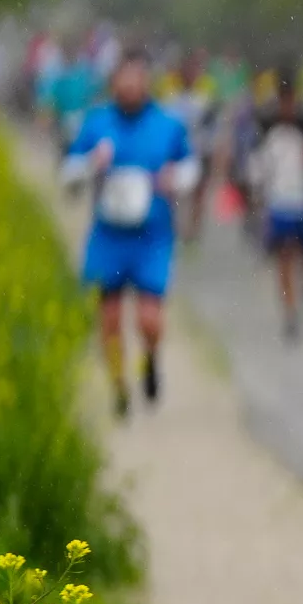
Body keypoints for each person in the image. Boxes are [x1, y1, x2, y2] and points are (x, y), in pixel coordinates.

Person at [61, 50, 199, 418]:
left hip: (152, 234)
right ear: (114, 82)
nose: (130, 86)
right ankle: (119, 385)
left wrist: (175, 179)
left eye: (137, 78)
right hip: (109, 235)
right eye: (123, 79)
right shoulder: (97, 123)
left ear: (147, 82)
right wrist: (92, 164)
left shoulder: (168, 124)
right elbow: (69, 173)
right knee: (109, 319)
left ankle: (151, 359)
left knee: (148, 319)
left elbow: (190, 168)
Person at [246, 70, 303, 338]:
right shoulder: (266, 123)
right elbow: (257, 161)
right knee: (284, 255)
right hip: (280, 200)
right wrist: (257, 193)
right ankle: (289, 310)